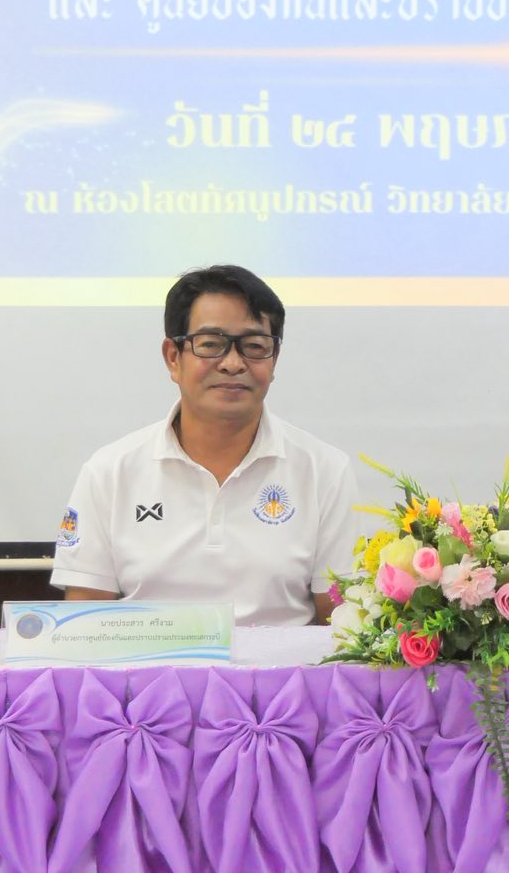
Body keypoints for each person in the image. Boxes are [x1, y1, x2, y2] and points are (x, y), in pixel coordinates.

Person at [53, 264, 360, 625]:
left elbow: (339, 621)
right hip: (152, 662)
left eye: (254, 347)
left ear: (274, 359)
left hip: (283, 663)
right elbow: (83, 620)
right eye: (211, 345)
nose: (233, 363)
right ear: (173, 358)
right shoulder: (109, 471)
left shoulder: (325, 470)